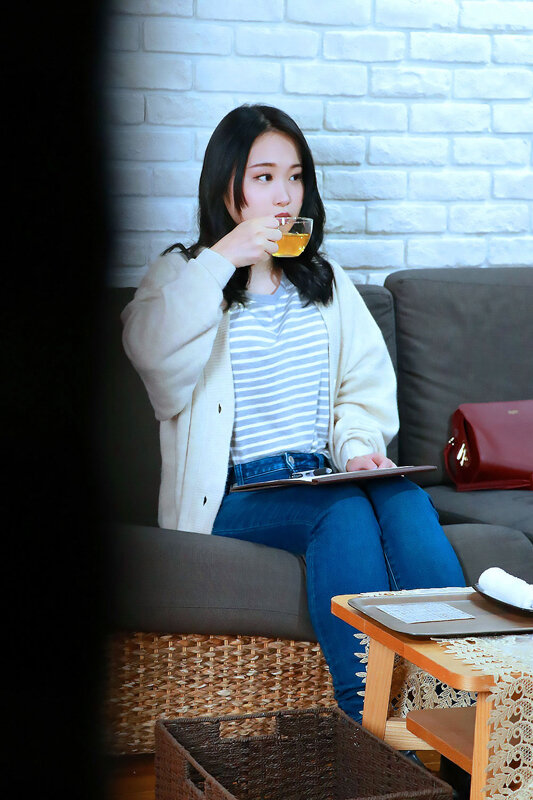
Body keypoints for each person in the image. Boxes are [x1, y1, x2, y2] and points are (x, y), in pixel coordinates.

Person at [121, 104, 465, 722]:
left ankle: (457, 707)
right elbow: (149, 353)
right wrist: (222, 259)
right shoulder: (182, 275)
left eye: (296, 176)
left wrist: (357, 449)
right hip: (237, 493)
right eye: (264, 177)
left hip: (322, 473)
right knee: (341, 512)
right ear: (226, 187)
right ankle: (368, 720)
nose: (285, 195)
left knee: (403, 497)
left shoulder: (324, 280)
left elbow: (361, 388)